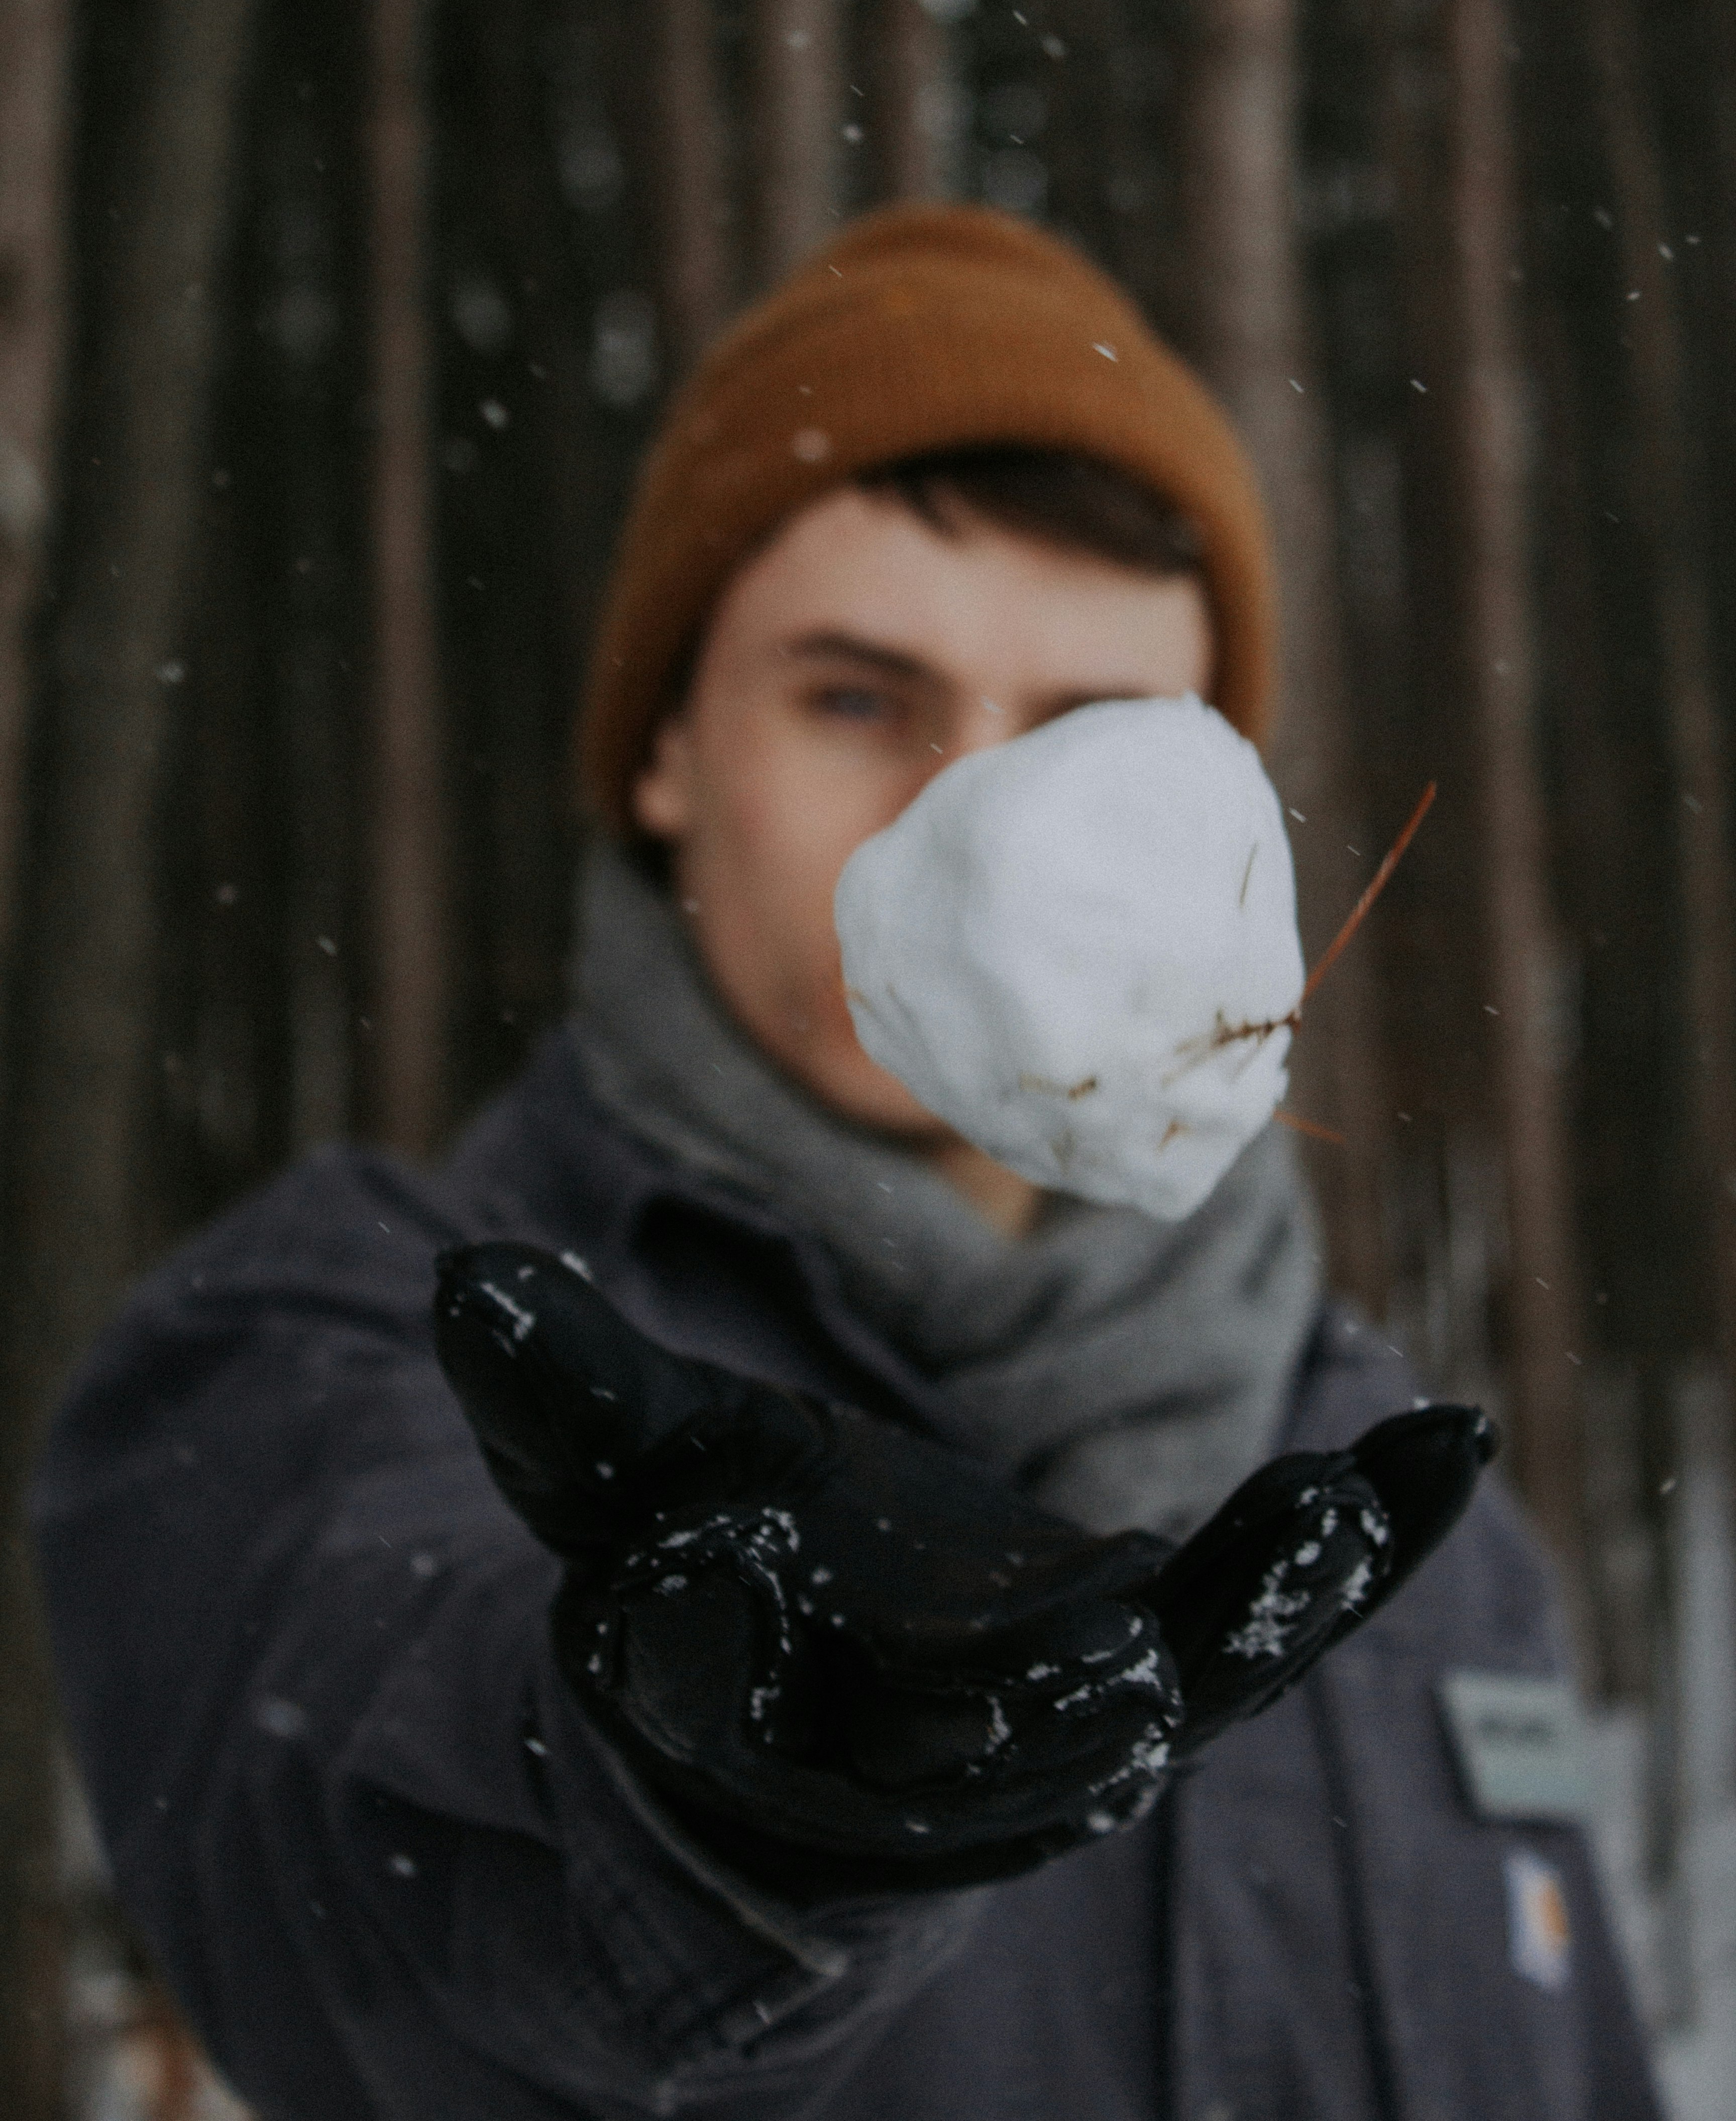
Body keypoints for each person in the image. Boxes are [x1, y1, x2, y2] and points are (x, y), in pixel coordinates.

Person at [33, 205, 1660, 2119]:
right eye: (858, 697)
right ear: (662, 751)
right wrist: (678, 1806)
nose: (988, 818)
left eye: (1099, 731)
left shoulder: (1401, 1525)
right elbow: (352, 1871)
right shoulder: (336, 1344)